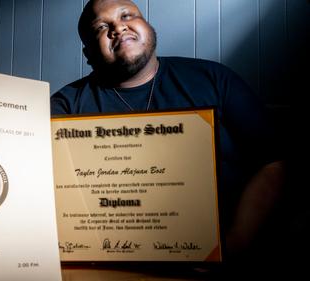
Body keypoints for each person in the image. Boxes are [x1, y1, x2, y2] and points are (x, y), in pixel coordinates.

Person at [51, 0, 286, 263]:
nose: (118, 28)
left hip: (221, 254)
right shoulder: (64, 107)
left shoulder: (213, 79)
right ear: (88, 53)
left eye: (127, 15)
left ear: (149, 27)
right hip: (107, 256)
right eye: (101, 27)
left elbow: (273, 162)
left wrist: (237, 241)